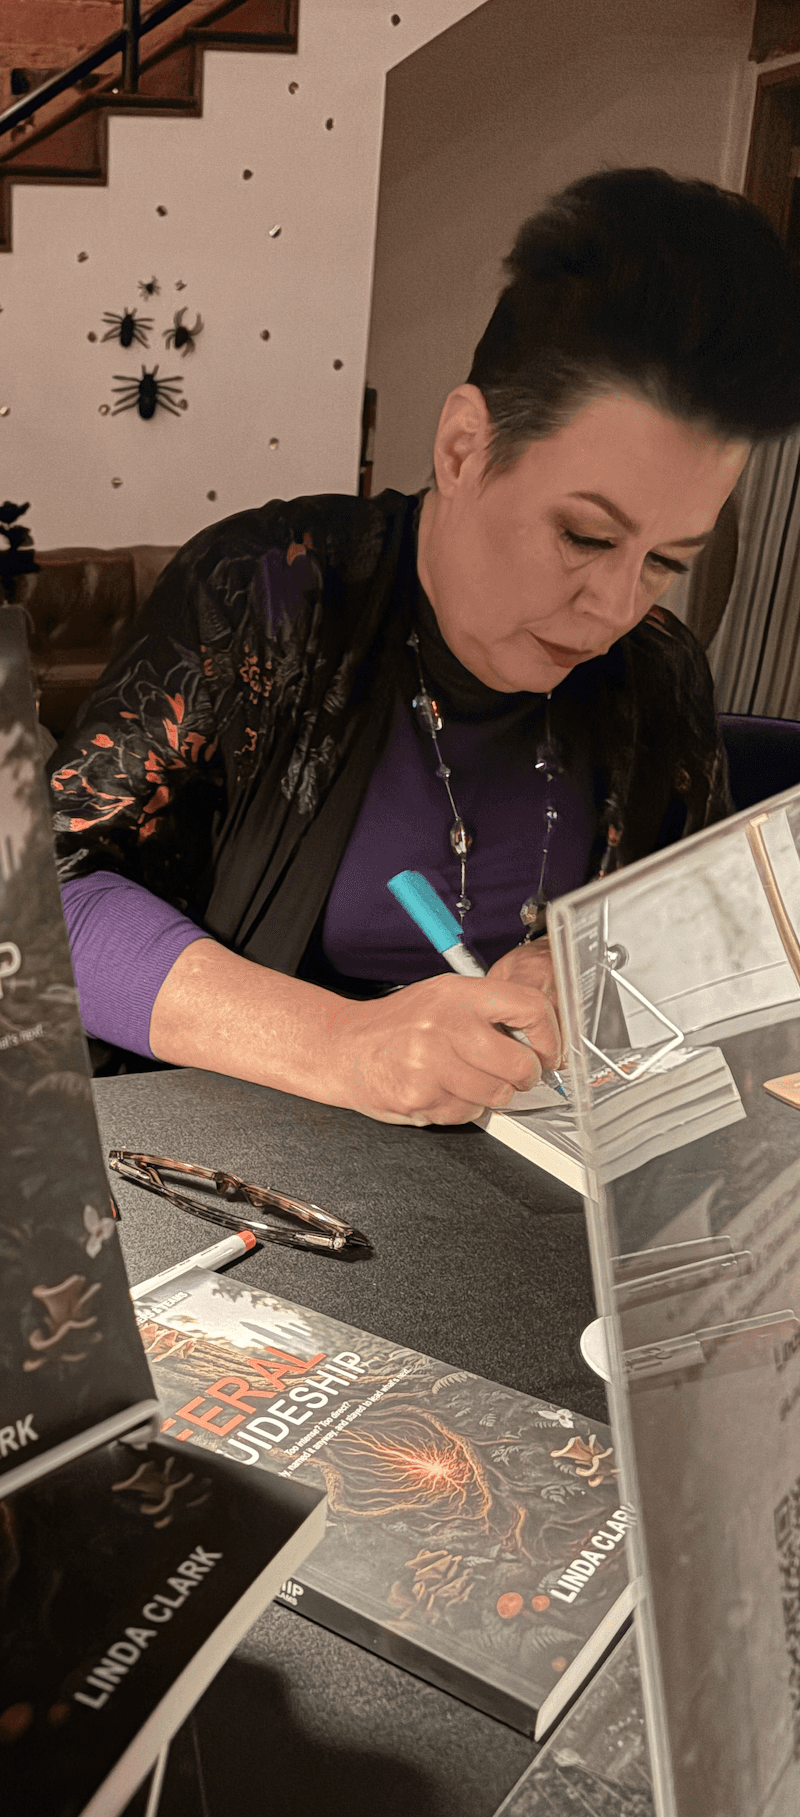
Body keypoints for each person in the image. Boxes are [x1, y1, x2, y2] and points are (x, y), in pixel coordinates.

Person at [50, 169, 800, 1126]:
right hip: (262, 1158)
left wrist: (595, 964)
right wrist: (336, 1043)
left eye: (668, 560)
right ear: (462, 448)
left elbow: (715, 934)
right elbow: (45, 900)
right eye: (584, 536)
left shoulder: (658, 672)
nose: (615, 605)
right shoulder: (270, 591)